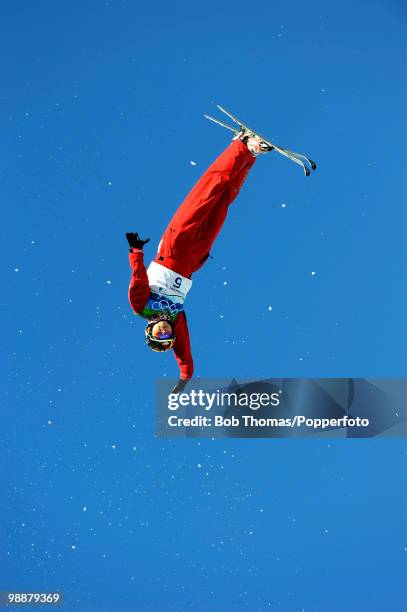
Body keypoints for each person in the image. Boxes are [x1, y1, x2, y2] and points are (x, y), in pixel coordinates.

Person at [126, 130, 273, 393]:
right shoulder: (175, 320)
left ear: (149, 330)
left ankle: (239, 145)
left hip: (173, 249)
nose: (165, 331)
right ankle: (251, 154)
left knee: (206, 193)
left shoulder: (141, 308)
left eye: (159, 334)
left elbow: (138, 279)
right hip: (194, 260)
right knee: (221, 205)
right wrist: (184, 379)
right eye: (167, 337)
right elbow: (185, 356)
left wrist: (136, 253)